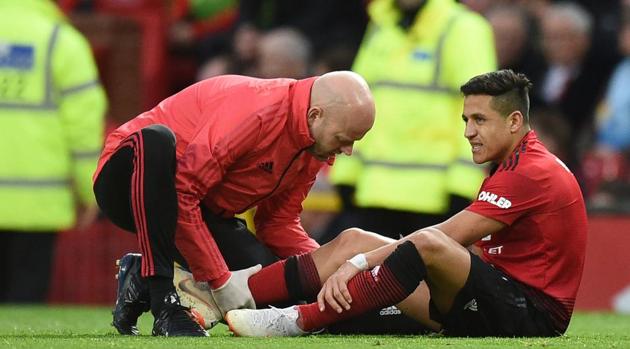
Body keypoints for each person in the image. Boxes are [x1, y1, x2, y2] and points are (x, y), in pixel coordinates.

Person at [224, 70, 588, 337]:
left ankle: (296, 321)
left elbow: (449, 236)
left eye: (479, 120)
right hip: (489, 297)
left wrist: (361, 264)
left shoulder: (532, 172)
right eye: (465, 120)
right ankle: (226, 296)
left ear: (514, 121)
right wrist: (362, 257)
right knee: (353, 237)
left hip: (531, 316)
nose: (467, 132)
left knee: (424, 244)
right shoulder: (512, 165)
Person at [92, 71, 375, 336]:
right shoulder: (257, 112)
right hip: (129, 178)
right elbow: (182, 191)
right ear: (315, 115)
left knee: (275, 292)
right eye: (343, 139)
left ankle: (140, 277)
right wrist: (219, 279)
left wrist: (326, 268)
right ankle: (163, 298)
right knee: (156, 141)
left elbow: (278, 224)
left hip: (197, 205)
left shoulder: (314, 143)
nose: (347, 151)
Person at [324, 0, 496, 243]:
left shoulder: (463, 28)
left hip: (436, 200)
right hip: (374, 193)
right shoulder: (381, 27)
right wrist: (346, 175)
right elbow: (359, 103)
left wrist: (463, 186)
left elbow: (481, 109)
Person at [0, 0, 106, 303]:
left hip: (38, 203)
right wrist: (90, 191)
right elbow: (83, 125)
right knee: (23, 311)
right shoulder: (60, 41)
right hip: (36, 204)